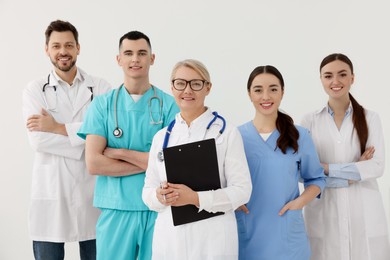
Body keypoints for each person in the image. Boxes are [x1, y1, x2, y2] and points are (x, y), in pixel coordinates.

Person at [77, 31, 179, 260]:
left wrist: (121, 153)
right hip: (116, 209)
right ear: (119, 59)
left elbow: (173, 164)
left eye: (142, 53)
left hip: (158, 208)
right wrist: (152, 161)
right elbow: (94, 163)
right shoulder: (102, 106)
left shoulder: (169, 106)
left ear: (152, 58)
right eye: (129, 53)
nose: (135, 59)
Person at [142, 59, 252, 259]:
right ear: (172, 87)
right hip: (170, 238)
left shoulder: (226, 133)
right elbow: (147, 190)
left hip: (213, 238)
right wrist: (158, 196)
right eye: (181, 83)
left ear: (208, 88)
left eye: (196, 83)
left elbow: (242, 191)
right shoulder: (162, 138)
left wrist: (195, 198)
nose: (187, 90)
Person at [22, 20, 112, 260]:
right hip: (52, 191)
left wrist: (57, 127)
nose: (63, 51)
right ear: (47, 50)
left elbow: (109, 133)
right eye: (57, 46)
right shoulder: (35, 90)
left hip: (94, 193)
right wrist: (89, 141)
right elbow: (39, 141)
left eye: (69, 45)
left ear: (78, 48)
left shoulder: (101, 87)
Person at [301, 53, 390, 260]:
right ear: (321, 80)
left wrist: (325, 168)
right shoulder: (309, 121)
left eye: (342, 74)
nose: (335, 81)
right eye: (328, 76)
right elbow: (304, 172)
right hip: (324, 213)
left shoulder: (370, 118)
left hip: (363, 213)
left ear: (352, 78)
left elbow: (376, 167)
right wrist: (355, 171)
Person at [236, 65, 326, 260]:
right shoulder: (235, 137)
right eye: (258, 90)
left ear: (282, 92)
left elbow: (317, 179)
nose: (266, 96)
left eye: (273, 89)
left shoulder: (299, 135)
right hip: (248, 233)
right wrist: (233, 201)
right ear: (249, 94)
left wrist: (299, 203)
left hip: (287, 235)